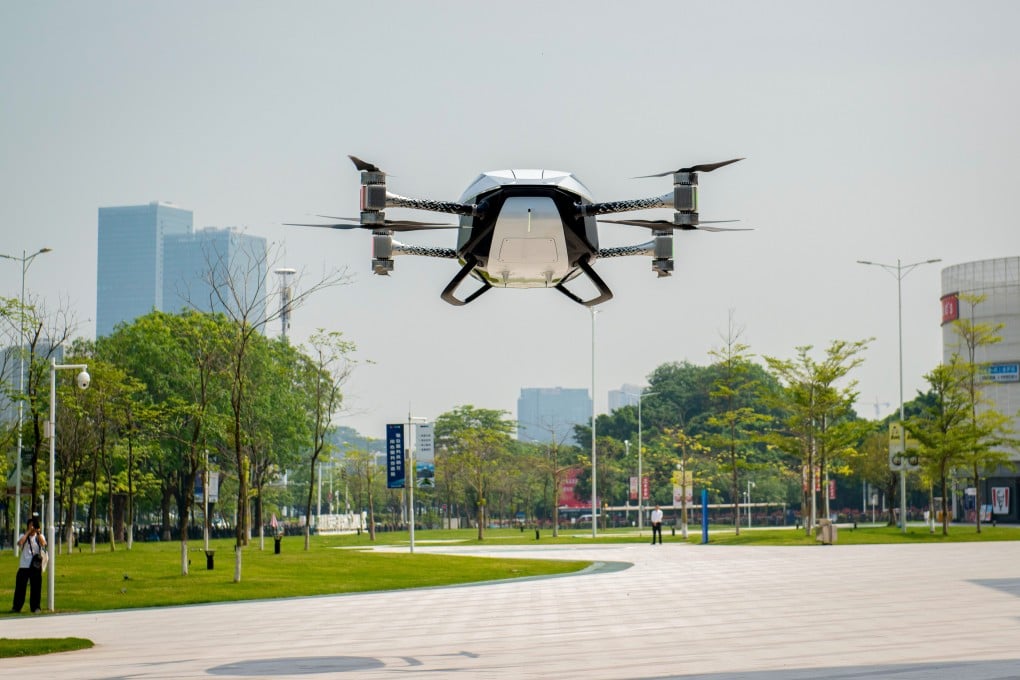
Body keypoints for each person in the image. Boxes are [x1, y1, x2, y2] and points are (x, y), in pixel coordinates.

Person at [12, 517, 46, 613]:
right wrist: (28, 532)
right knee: (20, 588)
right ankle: (17, 607)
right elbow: (20, 543)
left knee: (36, 588)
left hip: (35, 566)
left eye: (34, 525)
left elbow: (43, 544)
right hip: (24, 566)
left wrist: (38, 533)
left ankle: (35, 607)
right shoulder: (23, 535)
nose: (32, 527)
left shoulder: (39, 536)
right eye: (31, 525)